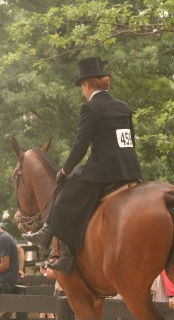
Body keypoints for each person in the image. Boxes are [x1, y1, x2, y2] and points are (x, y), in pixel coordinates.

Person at [23, 56, 142, 275]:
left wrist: (63, 170)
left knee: (68, 186)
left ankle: (60, 246)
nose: (82, 91)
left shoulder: (90, 108)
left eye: (81, 87)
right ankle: (49, 232)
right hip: (131, 169)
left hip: (105, 170)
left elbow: (80, 146)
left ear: (87, 84)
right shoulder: (123, 107)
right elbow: (129, 141)